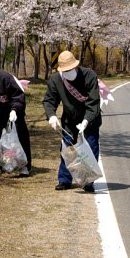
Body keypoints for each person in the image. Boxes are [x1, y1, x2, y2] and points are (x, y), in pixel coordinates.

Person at [42, 50, 102, 192]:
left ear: (76, 66)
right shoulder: (56, 80)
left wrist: (86, 120)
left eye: (71, 69)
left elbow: (94, 103)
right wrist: (51, 115)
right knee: (67, 148)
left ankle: (88, 181)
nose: (68, 72)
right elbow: (49, 100)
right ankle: (64, 180)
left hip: (90, 120)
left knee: (90, 148)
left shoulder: (89, 76)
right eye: (65, 70)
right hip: (69, 119)